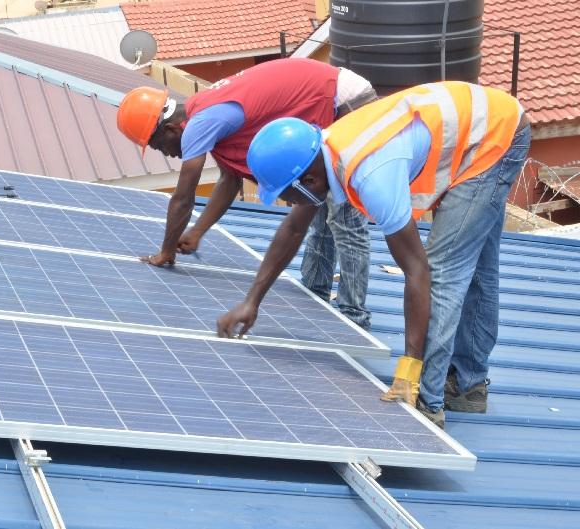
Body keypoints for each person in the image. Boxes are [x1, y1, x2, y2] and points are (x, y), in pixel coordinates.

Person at [216, 81, 530, 429]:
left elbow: (418, 272)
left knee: (445, 270)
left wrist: (409, 370)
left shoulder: (372, 175)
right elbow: (293, 229)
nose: (290, 203)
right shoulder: (322, 153)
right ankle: (469, 386)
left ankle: (428, 401)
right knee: (477, 265)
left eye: (289, 195)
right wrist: (252, 301)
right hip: (482, 119)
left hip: (493, 135)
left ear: (309, 180)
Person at [116, 58, 375, 328]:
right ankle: (317, 295)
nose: (167, 154)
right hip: (326, 97)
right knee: (317, 201)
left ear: (170, 129)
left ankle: (353, 317)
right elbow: (230, 180)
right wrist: (197, 231)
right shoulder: (206, 113)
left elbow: (183, 197)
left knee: (344, 215)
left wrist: (166, 251)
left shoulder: (201, 122)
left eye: (159, 146)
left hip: (343, 101)